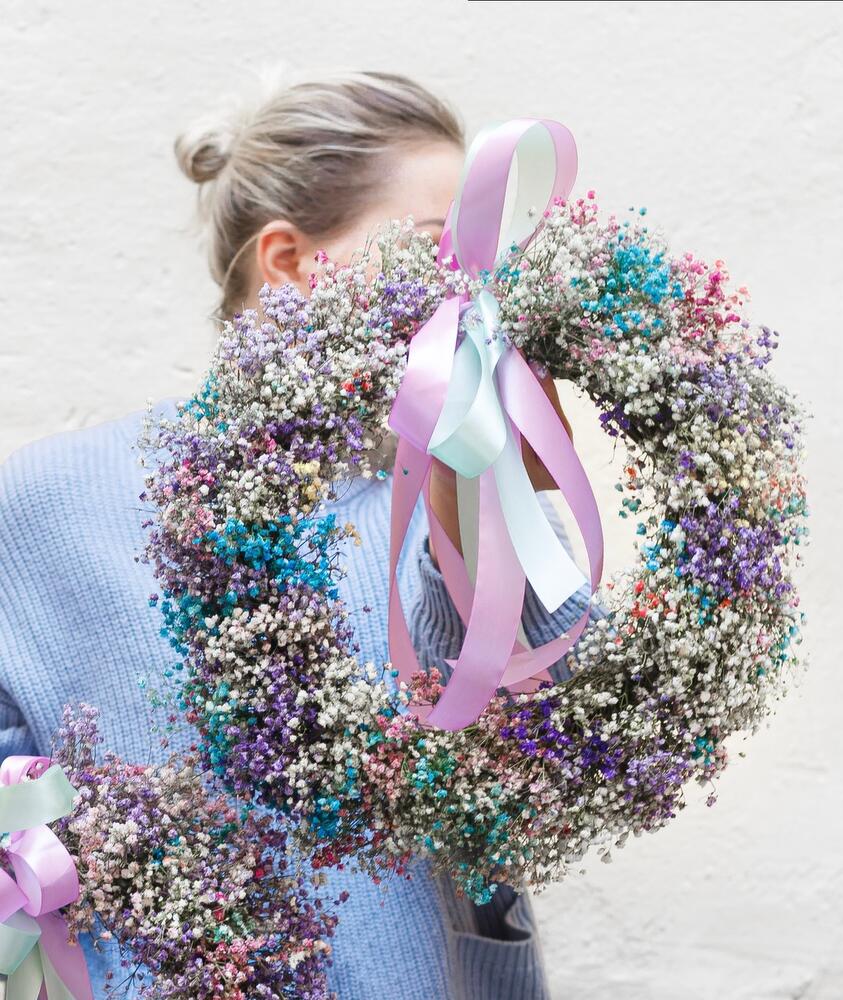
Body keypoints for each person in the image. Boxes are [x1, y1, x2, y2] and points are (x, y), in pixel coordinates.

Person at [0, 71, 595, 999]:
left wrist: (486, 492)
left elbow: (550, 733)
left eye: (487, 261)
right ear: (286, 262)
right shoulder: (46, 507)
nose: (473, 294)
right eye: (439, 251)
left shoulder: (464, 492)